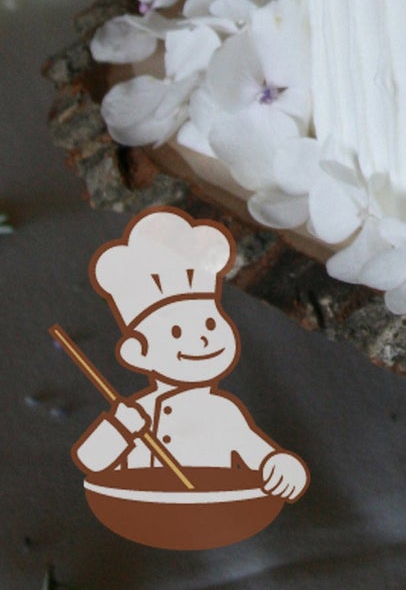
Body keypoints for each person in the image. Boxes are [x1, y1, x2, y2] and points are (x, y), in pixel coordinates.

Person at [71, 207, 308, 499]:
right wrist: (121, 428)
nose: (203, 339)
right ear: (138, 353)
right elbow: (92, 460)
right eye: (176, 332)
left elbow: (261, 456)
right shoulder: (138, 413)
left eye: (210, 323)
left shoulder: (224, 412)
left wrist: (283, 467)